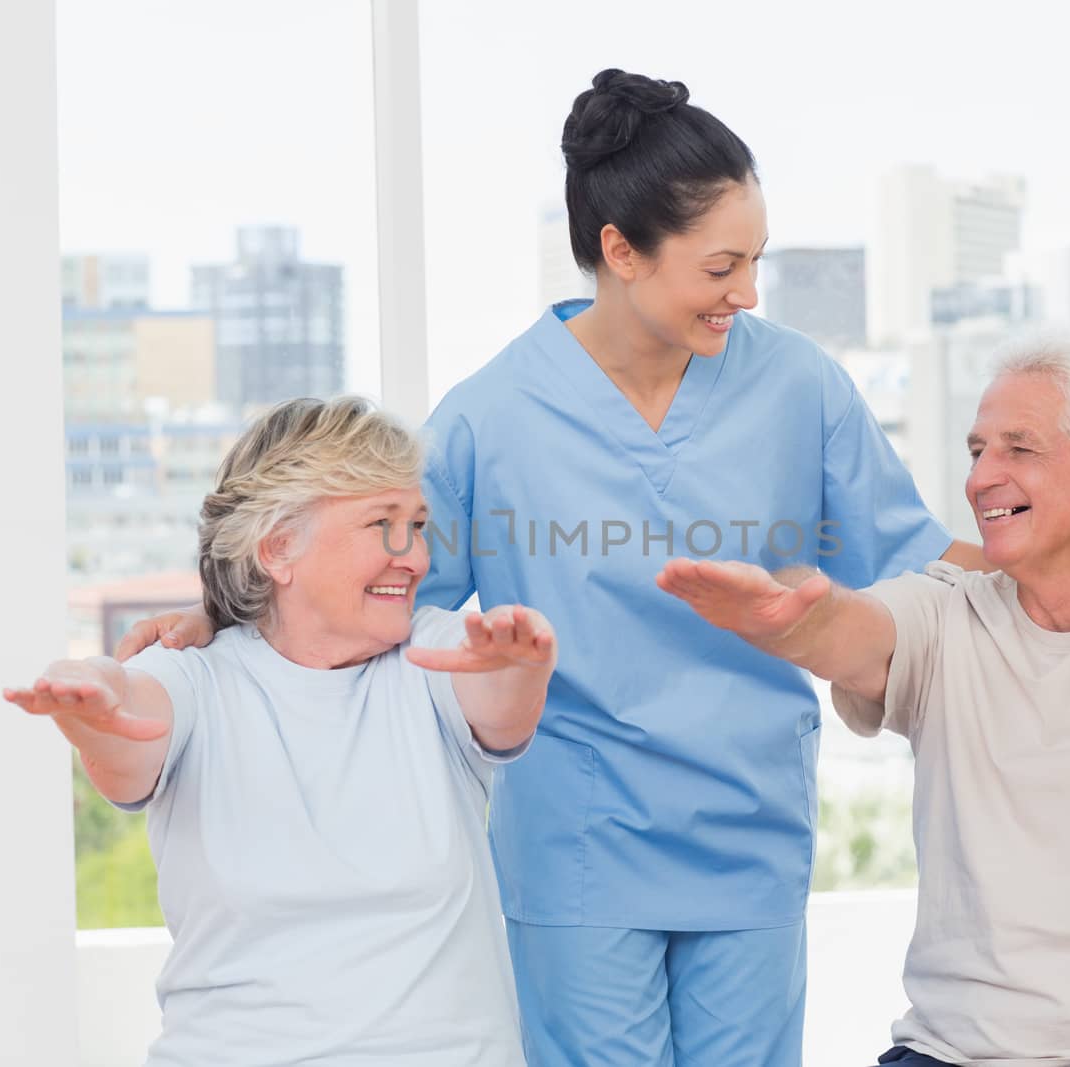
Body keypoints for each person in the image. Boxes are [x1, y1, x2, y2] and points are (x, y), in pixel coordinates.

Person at [120, 70, 987, 1065]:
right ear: (620, 251)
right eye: (720, 266)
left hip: (749, 826)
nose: (746, 292)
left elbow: (916, 561)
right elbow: (376, 586)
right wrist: (221, 616)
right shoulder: (493, 414)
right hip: (576, 843)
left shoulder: (798, 384)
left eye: (755, 262)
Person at [657, 331, 1070, 1067]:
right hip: (965, 1053)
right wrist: (797, 625)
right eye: (976, 451)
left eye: (1017, 449)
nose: (980, 478)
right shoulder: (944, 612)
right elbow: (855, 631)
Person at [4, 397, 555, 1066]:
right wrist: (90, 698)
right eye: (381, 524)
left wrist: (523, 669)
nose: (413, 556)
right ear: (277, 548)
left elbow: (500, 706)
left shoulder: (434, 655)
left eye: (416, 525)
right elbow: (129, 730)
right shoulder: (196, 676)